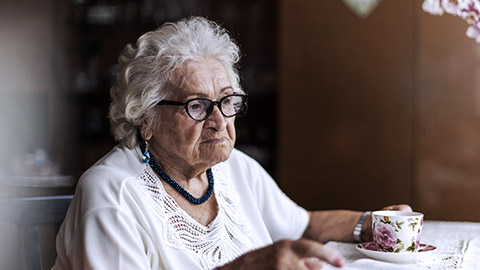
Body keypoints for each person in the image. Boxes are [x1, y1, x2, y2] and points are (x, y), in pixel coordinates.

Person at [52, 17, 411, 270]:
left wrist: (374, 224)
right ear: (145, 117)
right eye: (196, 106)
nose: (220, 121)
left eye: (226, 101)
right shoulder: (112, 193)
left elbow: (304, 226)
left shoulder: (234, 167)